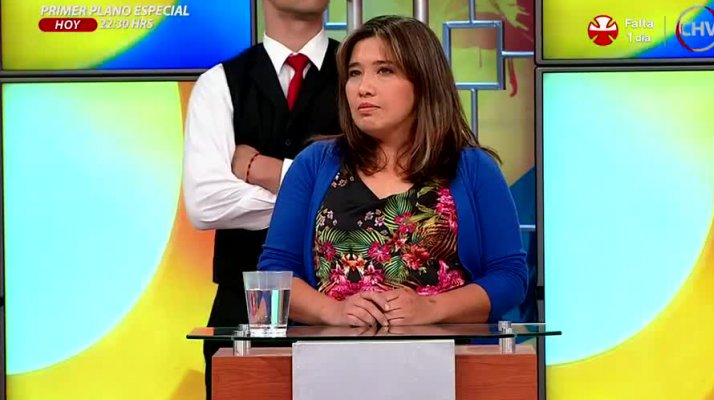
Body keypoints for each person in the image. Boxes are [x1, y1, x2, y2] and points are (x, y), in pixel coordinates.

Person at [258, 15, 528, 327]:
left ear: (423, 81)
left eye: (384, 70)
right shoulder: (315, 163)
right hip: (332, 351)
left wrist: (431, 308)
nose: (363, 88)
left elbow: (509, 277)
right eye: (354, 73)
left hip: (448, 351)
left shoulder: (473, 168)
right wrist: (332, 311)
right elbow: (274, 272)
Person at [182, 0, 339, 397]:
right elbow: (206, 203)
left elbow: (387, 190)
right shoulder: (219, 82)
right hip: (243, 303)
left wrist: (267, 171)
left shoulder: (361, 73)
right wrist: (326, 197)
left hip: (346, 302)